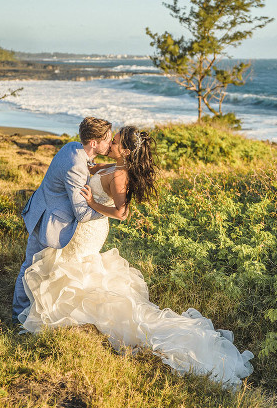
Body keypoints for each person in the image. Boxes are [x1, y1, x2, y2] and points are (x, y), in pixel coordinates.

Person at [18, 126, 254, 388]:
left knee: (77, 267)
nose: (111, 143)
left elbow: (122, 213)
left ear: (126, 151)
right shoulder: (113, 164)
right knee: (71, 264)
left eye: (115, 141)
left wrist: (92, 203)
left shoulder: (120, 175)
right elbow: (90, 170)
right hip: (84, 225)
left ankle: (74, 311)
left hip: (91, 226)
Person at [12, 117, 111, 322]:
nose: (110, 142)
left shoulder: (73, 147)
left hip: (46, 208)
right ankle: (17, 316)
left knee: (45, 268)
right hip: (48, 219)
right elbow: (83, 214)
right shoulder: (77, 166)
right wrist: (110, 210)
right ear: (94, 143)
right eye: (107, 139)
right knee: (31, 266)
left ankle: (37, 308)